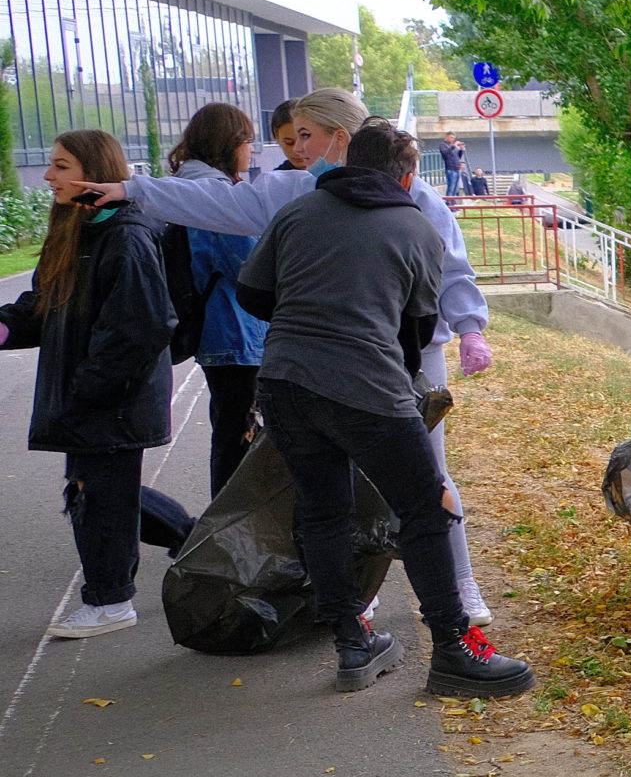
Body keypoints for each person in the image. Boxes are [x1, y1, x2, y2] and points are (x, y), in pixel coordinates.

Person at [72, 89, 502, 625]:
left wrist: (468, 328)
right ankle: (358, 600)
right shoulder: (298, 190)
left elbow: (449, 264)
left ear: (340, 138)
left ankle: (457, 587)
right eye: (288, 137)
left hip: (407, 350)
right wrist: (131, 189)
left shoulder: (410, 192)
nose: (295, 147)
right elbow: (219, 205)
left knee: (424, 475)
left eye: (305, 136)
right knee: (341, 486)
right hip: (333, 357)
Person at [234, 122, 533, 697]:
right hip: (366, 384)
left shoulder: (298, 213)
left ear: (345, 159)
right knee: (425, 505)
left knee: (323, 510)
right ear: (407, 175)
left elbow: (253, 294)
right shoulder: (415, 226)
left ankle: (352, 641)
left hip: (284, 382)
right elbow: (417, 328)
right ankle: (453, 649)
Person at [0, 131, 188, 639]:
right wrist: (6, 326)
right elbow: (43, 305)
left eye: (60, 166)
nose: (48, 176)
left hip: (111, 398)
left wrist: (89, 388)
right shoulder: (76, 227)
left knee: (97, 495)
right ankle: (189, 539)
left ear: (92, 170)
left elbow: (141, 326)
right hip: (93, 395)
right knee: (105, 490)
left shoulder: (126, 236)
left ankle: (110, 601)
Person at [165, 103, 268, 494]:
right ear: (227, 144)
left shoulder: (178, 186)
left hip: (208, 325)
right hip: (237, 331)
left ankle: (224, 532)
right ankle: (227, 536)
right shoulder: (219, 194)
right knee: (237, 436)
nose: (251, 150)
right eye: (246, 141)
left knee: (228, 428)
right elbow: (251, 267)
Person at [269, 101, 305, 170]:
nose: (297, 149)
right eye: (289, 143)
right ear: (276, 138)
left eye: (304, 140)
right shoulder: (272, 180)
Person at [438, 132, 468, 198]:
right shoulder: (443, 145)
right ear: (446, 137)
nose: (453, 139)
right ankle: (449, 203)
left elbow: (458, 157)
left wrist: (461, 150)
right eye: (451, 137)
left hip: (457, 168)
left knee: (455, 189)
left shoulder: (453, 146)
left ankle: (453, 204)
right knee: (451, 188)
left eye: (454, 138)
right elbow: (445, 154)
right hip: (450, 168)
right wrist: (454, 146)